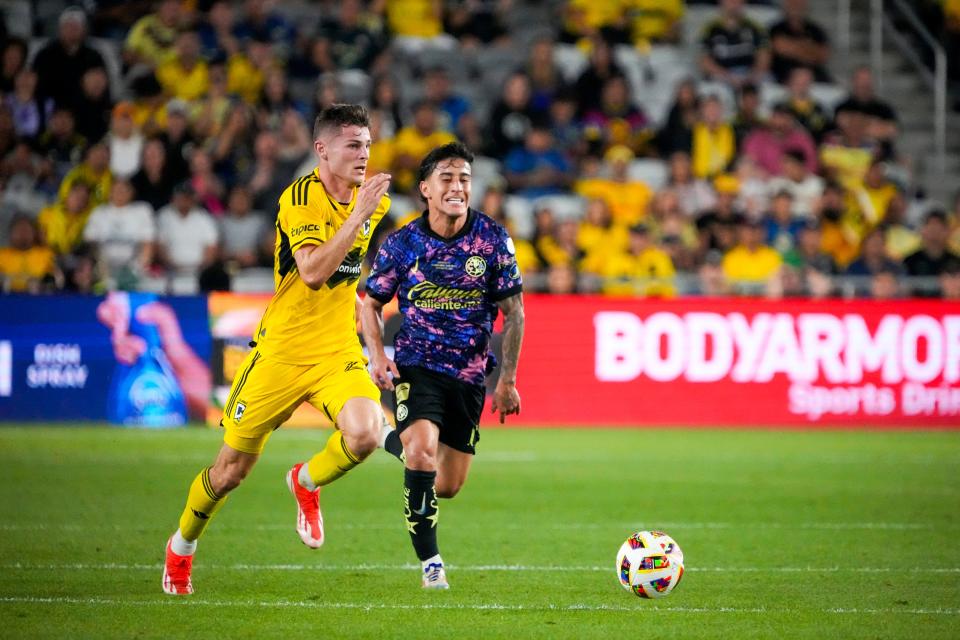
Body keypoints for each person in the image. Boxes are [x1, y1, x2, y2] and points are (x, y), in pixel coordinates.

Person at [161, 104, 393, 595]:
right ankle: (181, 547)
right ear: (322, 150)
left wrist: (373, 344)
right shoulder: (300, 199)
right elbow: (312, 272)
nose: (363, 155)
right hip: (281, 353)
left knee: (368, 431)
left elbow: (354, 279)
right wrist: (358, 217)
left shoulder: (370, 201)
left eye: (368, 144)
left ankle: (306, 481)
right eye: (353, 145)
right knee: (229, 473)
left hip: (335, 352)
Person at [361, 142, 524, 589]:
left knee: (447, 485)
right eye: (448, 179)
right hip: (417, 368)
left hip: (471, 376)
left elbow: (515, 312)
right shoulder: (403, 243)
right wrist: (378, 356)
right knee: (422, 452)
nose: (458, 187)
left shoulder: (492, 239)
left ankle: (385, 437)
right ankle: (431, 564)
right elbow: (369, 303)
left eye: (465, 179)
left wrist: (507, 380)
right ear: (426, 190)